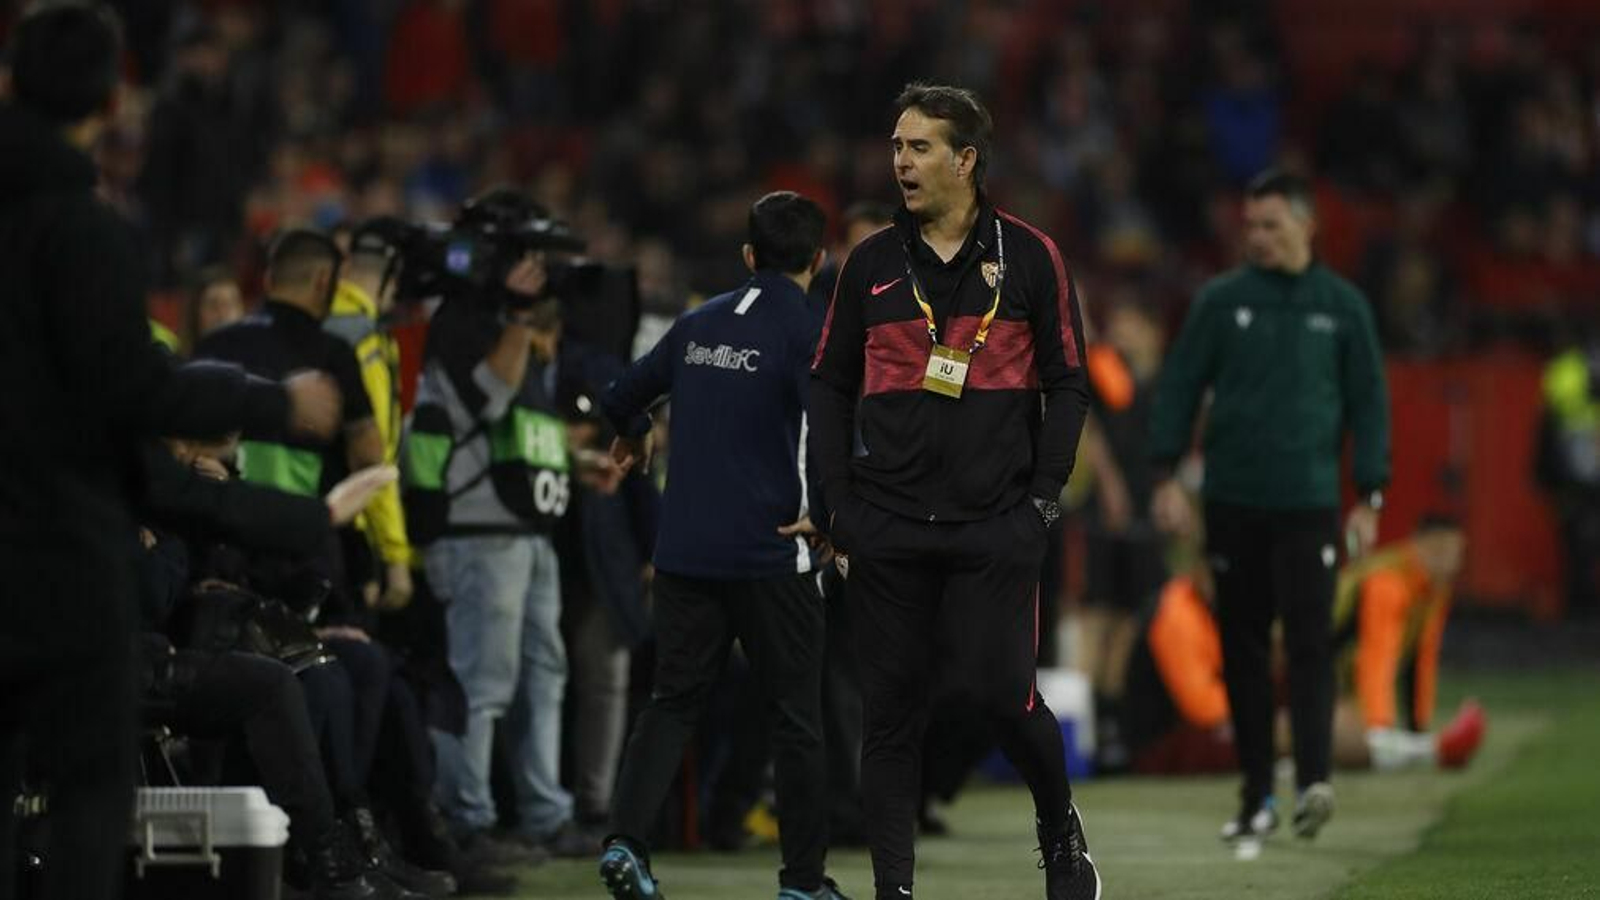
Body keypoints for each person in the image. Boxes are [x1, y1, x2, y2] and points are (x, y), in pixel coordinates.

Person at [0, 5, 338, 898]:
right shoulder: (82, 230)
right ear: (113, 99)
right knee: (86, 797)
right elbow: (135, 397)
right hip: (60, 565)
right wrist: (273, 404)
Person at [810, 83, 1099, 900]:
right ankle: (894, 893)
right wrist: (839, 501)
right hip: (889, 525)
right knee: (891, 720)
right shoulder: (867, 264)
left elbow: (1069, 385)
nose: (901, 161)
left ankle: (1058, 829)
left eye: (920, 147)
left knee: (1003, 700)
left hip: (994, 526)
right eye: (897, 146)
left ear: (966, 160)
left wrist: (1042, 500)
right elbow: (828, 385)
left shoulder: (1033, 257)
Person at [594, 190, 849, 900]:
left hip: (684, 555)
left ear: (747, 256)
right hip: (774, 555)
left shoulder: (696, 324)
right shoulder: (815, 332)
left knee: (672, 703)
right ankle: (802, 886)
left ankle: (624, 844)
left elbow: (620, 395)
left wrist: (636, 432)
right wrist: (834, 519)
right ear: (819, 260)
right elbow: (835, 433)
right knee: (798, 721)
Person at [1147, 168, 1392, 843]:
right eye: (1251, 225)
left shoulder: (1343, 307)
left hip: (1309, 504)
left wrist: (1369, 495)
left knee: (1310, 644)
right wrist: (1165, 474)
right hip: (1233, 504)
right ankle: (1257, 793)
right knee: (1245, 650)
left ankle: (1313, 780)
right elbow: (1179, 386)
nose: (1257, 237)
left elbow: (1370, 406)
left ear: (1308, 225)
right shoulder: (1221, 301)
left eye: (1271, 224)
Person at [404, 188, 580, 855]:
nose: (537, 267)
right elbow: (491, 393)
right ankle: (466, 819)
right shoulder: (462, 317)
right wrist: (519, 315)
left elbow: (522, 425)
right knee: (478, 682)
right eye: (527, 254)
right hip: (477, 531)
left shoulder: (504, 319)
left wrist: (574, 460)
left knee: (543, 676)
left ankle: (544, 813)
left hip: (526, 529)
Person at [1331, 515, 1486, 772]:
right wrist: (1379, 726)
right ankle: (1432, 752)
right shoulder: (1387, 581)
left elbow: (1421, 661)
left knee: (1340, 729)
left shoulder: (1434, 591)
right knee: (1339, 730)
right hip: (1297, 676)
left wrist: (1418, 725)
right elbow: (1375, 658)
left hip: (1335, 682)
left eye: (1457, 553)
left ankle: (1423, 747)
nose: (1454, 563)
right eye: (1444, 551)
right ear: (1420, 547)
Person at [325, 219, 416, 613]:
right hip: (354, 529)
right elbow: (373, 452)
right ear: (390, 277)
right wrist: (395, 555)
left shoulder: (318, 319)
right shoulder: (366, 339)